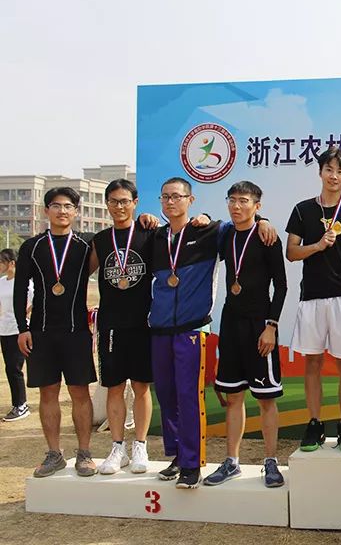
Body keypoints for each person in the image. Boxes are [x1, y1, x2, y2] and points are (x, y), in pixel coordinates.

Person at [148, 177, 275, 489]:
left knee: (189, 397)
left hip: (192, 329)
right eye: (165, 197)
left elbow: (243, 224)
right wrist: (144, 219)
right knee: (166, 395)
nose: (170, 202)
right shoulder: (155, 237)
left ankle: (192, 464)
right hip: (160, 329)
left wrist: (263, 220)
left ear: (190, 200)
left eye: (177, 196)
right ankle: (178, 456)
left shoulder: (209, 232)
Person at [204, 181, 288, 488]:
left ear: (257, 206)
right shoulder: (225, 234)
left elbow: (281, 286)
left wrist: (271, 326)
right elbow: (206, 223)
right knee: (233, 396)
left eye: (243, 201)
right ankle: (232, 461)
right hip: (231, 324)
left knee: (266, 399)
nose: (236, 206)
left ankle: (271, 461)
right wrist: (203, 216)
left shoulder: (267, 237)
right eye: (232, 200)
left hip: (260, 324)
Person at [286, 147, 341, 453]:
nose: (334, 176)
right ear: (320, 172)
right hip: (311, 297)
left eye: (340, 171)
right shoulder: (302, 210)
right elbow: (292, 253)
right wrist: (318, 246)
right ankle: (315, 423)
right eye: (329, 169)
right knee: (313, 362)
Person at [15, 187, 97, 477]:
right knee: (47, 393)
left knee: (80, 392)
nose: (62, 211)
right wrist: (22, 328)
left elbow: (122, 237)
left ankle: (84, 453)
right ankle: (54, 454)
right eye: (56, 205)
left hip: (77, 331)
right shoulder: (32, 246)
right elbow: (20, 289)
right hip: (41, 331)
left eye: (68, 206)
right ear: (45, 210)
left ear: (76, 211)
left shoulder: (87, 245)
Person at [90, 179, 157, 475]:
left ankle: (140, 445)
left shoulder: (148, 233)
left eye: (125, 201)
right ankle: (117, 448)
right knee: (114, 387)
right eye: (114, 201)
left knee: (141, 386)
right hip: (111, 325)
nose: (119, 206)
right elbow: (80, 273)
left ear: (135, 203)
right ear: (106, 204)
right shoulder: (100, 240)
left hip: (143, 322)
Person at [1, 248, 29, 422]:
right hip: (4, 330)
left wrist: (23, 316)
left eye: (1, 262)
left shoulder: (24, 282)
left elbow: (33, 301)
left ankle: (21, 405)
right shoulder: (2, 282)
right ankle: (18, 403)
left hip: (18, 330)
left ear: (11, 263)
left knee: (15, 368)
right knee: (9, 368)